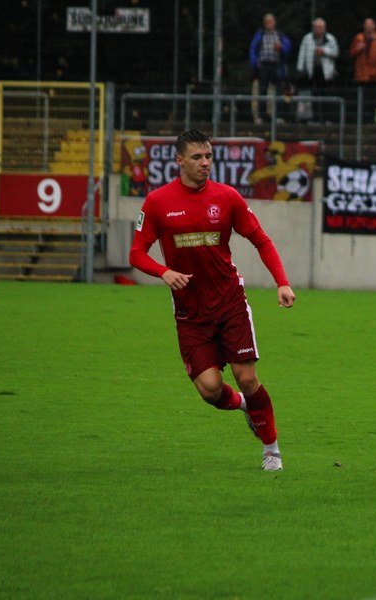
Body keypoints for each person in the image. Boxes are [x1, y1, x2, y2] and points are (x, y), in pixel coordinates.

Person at [129, 130, 296, 472]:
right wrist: (163, 272)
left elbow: (261, 240)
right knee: (209, 390)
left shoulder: (227, 197)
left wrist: (282, 282)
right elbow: (136, 253)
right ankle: (246, 407)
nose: (205, 163)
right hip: (190, 312)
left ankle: (271, 451)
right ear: (180, 161)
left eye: (208, 156)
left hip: (229, 302)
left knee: (246, 377)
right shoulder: (158, 202)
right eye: (197, 157)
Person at [249, 13, 292, 125]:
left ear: (274, 23)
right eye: (266, 21)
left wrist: (281, 48)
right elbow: (253, 49)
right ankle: (261, 116)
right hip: (263, 66)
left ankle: (278, 116)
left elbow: (287, 49)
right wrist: (255, 63)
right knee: (262, 90)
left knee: (279, 91)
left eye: (270, 21)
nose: (269, 23)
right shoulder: (260, 34)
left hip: (276, 65)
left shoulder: (280, 35)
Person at [296, 17, 339, 124]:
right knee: (313, 95)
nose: (318, 29)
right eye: (316, 27)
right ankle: (315, 118)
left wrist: (324, 51)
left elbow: (336, 52)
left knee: (326, 95)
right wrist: (300, 69)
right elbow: (302, 54)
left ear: (324, 28)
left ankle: (326, 118)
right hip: (312, 71)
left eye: (320, 27)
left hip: (326, 72)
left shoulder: (330, 39)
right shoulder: (307, 38)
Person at [348, 18, 376, 121]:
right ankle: (361, 120)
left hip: (374, 75)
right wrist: (358, 49)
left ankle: (371, 119)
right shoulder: (358, 38)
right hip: (361, 74)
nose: (368, 26)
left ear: (374, 26)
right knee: (361, 98)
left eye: (370, 24)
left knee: (372, 98)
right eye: (366, 24)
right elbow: (351, 53)